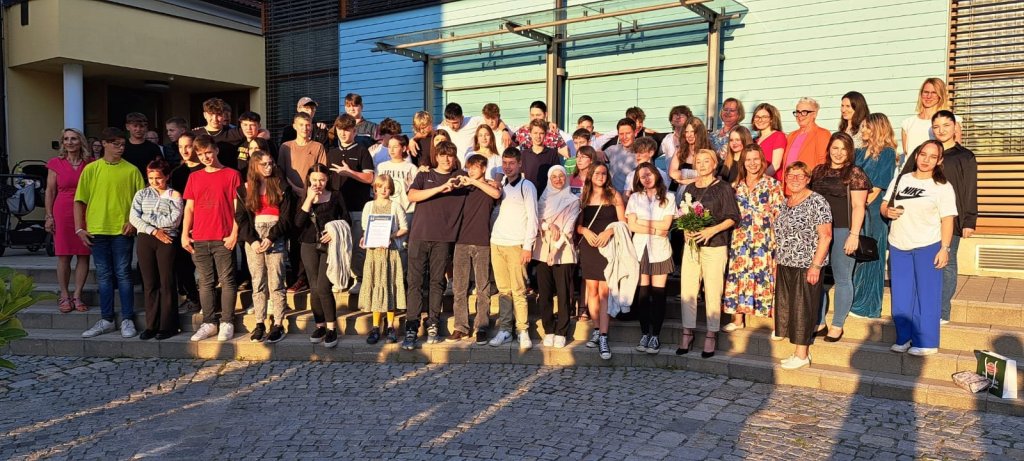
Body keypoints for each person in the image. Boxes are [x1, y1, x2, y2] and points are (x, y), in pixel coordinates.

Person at [900, 110, 977, 324]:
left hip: (951, 218)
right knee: (923, 263)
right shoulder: (924, 151)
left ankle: (942, 311)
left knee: (947, 263)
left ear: (955, 127)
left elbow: (970, 189)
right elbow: (904, 180)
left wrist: (969, 220)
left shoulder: (965, 156)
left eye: (946, 125)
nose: (941, 130)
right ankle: (920, 306)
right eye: (936, 126)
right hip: (920, 219)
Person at [883, 140, 957, 356]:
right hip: (899, 245)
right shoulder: (901, 179)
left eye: (933, 157)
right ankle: (904, 337)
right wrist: (887, 211)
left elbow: (947, 219)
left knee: (927, 295)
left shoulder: (943, 187)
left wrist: (945, 248)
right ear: (916, 156)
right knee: (901, 295)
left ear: (939, 161)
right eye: (923, 154)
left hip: (928, 245)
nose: (926, 160)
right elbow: (885, 204)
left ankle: (926, 342)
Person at [76, 127, 146, 339]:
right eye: (116, 144)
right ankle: (106, 319)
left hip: (122, 230)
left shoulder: (132, 170)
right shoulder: (91, 169)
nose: (120, 148)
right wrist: (79, 228)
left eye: (123, 144)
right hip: (97, 229)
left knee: (123, 273)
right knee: (104, 275)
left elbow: (141, 201)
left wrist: (133, 222)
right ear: (104, 144)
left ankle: (127, 318)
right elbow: (79, 200)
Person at [403, 141, 467, 349]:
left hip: (443, 238)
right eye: (442, 155)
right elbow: (412, 195)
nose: (446, 159)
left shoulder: (460, 177)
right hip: (419, 236)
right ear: (436, 157)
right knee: (414, 282)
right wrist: (440, 188)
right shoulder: (425, 175)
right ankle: (411, 326)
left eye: (450, 155)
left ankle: (432, 323)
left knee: (437, 282)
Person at [678, 149, 740, 358]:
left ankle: (711, 334)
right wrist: (686, 229)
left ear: (714, 164)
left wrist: (711, 230)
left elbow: (733, 217)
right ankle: (687, 332)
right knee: (688, 289)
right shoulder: (690, 188)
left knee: (713, 290)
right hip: (692, 246)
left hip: (715, 245)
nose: (702, 165)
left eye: (707, 161)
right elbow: (682, 213)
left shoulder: (723, 188)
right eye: (698, 161)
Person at [810, 132, 870, 341]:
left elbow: (859, 206)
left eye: (843, 149)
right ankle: (819, 321)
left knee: (843, 278)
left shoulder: (855, 173)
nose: (838, 153)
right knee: (817, 278)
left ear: (849, 152)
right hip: (819, 232)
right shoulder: (818, 171)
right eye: (835, 148)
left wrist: (854, 234)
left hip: (843, 230)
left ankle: (837, 324)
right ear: (829, 149)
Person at [773, 162, 833, 369]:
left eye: (800, 176)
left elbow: (826, 236)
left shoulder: (817, 201)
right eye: (791, 176)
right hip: (785, 262)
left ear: (808, 179)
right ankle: (796, 351)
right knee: (789, 307)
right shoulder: (786, 202)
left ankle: (802, 354)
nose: (795, 179)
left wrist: (815, 266)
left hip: (806, 264)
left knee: (803, 308)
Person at [183, 135, 242, 343]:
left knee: (227, 280)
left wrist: (234, 233)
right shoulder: (194, 177)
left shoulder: (232, 175)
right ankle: (209, 322)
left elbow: (238, 209)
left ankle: (227, 321)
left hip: (223, 236)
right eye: (200, 154)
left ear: (216, 150)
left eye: (208, 152)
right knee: (205, 282)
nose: (205, 157)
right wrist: (184, 233)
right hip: (200, 237)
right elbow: (189, 208)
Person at [723, 144, 784, 332]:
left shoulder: (773, 184)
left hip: (764, 239)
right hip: (740, 238)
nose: (752, 163)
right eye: (748, 160)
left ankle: (774, 324)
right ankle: (737, 319)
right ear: (743, 163)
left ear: (762, 161)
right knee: (739, 274)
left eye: (756, 159)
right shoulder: (736, 186)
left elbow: (780, 214)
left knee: (765, 276)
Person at [235, 151, 293, 343]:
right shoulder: (244, 189)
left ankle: (278, 323)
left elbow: (286, 217)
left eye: (270, 163)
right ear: (255, 166)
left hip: (275, 233)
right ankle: (259, 322)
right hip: (254, 236)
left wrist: (272, 236)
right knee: (258, 280)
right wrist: (252, 240)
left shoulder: (281, 185)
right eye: (264, 164)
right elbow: (241, 218)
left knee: (276, 281)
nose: (269, 167)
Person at [489, 147, 539, 349]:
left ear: (519, 164)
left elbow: (533, 217)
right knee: (503, 290)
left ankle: (522, 330)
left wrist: (528, 246)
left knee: (518, 289)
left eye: (511, 163)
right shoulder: (501, 185)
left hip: (516, 244)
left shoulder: (526, 186)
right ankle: (505, 329)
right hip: (497, 242)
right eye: (504, 163)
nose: (507, 167)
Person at [294, 164, 349, 348]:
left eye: (322, 180)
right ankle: (320, 325)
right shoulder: (304, 197)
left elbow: (346, 219)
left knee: (324, 286)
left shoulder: (336, 195)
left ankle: (332, 328)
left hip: (329, 246)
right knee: (314, 287)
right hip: (308, 244)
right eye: (315, 180)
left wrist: (334, 232)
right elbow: (298, 223)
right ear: (309, 180)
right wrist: (309, 199)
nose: (318, 183)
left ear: (328, 180)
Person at [129, 159, 183, 340]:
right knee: (150, 283)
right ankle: (151, 325)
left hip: (167, 239)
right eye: (151, 178)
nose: (154, 182)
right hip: (146, 238)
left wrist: (149, 218)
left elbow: (174, 220)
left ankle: (168, 326)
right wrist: (153, 229)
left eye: (158, 178)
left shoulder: (174, 195)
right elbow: (134, 218)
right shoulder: (141, 194)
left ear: (166, 176)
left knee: (166, 282)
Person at [850, 113, 898, 318]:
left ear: (878, 129)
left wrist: (859, 206)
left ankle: (868, 306)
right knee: (857, 255)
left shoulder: (887, 153)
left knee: (870, 254)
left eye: (867, 127)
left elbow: (878, 186)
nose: (863, 130)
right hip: (857, 208)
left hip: (873, 210)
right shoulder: (859, 153)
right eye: (862, 127)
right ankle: (855, 299)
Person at [626, 162, 676, 355]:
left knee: (659, 293)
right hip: (640, 249)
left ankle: (655, 335)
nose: (646, 178)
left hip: (660, 250)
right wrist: (655, 229)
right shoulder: (635, 198)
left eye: (649, 174)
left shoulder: (668, 197)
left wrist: (643, 222)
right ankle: (644, 333)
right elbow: (632, 225)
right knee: (643, 293)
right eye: (642, 176)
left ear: (656, 174)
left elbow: (667, 224)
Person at [451, 155, 501, 344]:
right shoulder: (464, 187)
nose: (471, 171)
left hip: (482, 242)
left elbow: (496, 195)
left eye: (475, 167)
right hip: (461, 241)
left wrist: (475, 182)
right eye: (469, 167)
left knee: (483, 287)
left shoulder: (489, 186)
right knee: (459, 287)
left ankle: (482, 326)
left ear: (484, 168)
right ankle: (460, 326)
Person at [577, 163, 624, 359]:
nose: (600, 176)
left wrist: (609, 231)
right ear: (590, 175)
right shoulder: (584, 196)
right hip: (589, 247)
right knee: (592, 290)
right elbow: (577, 225)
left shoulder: (614, 195)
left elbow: (623, 223)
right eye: (597, 173)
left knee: (605, 292)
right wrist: (585, 231)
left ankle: (604, 336)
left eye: (604, 173)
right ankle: (596, 329)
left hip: (608, 248)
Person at [326, 113, 375, 295]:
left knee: (356, 247)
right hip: (336, 210)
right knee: (337, 245)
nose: (343, 133)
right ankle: (340, 279)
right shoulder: (331, 153)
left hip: (357, 207)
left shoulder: (362, 151)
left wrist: (350, 173)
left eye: (347, 130)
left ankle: (359, 279)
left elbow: (370, 178)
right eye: (340, 129)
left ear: (354, 131)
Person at [279, 112, 327, 294]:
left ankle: (309, 278)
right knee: (294, 238)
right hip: (292, 198)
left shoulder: (318, 147)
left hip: (313, 198)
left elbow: (322, 172)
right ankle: (297, 278)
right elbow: (281, 172)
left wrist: (309, 192)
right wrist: (295, 189)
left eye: (308, 125)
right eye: (301, 125)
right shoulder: (286, 147)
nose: (305, 128)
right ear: (294, 126)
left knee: (310, 238)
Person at [45, 128, 92, 313]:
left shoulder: (90, 163)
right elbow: (50, 190)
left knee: (83, 253)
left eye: (74, 139)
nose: (70, 142)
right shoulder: (55, 163)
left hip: (85, 210)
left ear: (81, 142)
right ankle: (64, 295)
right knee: (63, 255)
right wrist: (48, 216)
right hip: (62, 210)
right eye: (66, 139)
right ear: (62, 143)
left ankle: (78, 295)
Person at [533, 165, 580, 348]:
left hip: (563, 251)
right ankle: (549, 329)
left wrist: (554, 251)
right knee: (544, 292)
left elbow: (568, 229)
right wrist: (548, 226)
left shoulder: (572, 200)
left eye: (561, 176)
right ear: (549, 179)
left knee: (563, 292)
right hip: (542, 250)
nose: (558, 179)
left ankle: (562, 330)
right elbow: (537, 219)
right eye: (554, 176)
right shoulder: (543, 198)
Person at [359, 175, 409, 344]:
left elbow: (404, 228)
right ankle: (375, 326)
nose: (383, 190)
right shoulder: (369, 205)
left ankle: (390, 326)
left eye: (387, 188)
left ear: (391, 189)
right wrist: (364, 238)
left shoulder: (396, 206)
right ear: (375, 188)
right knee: (376, 287)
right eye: (380, 187)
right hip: (374, 253)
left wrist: (391, 236)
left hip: (390, 252)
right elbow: (366, 227)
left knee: (389, 287)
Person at [169, 132, 203, 313]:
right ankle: (192, 297)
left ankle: (209, 301)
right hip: (182, 224)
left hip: (205, 224)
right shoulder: (177, 173)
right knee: (183, 264)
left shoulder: (205, 169)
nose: (184, 150)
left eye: (188, 146)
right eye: (180, 147)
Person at [901, 78, 956, 163]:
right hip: (911, 169)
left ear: (940, 95)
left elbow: (954, 154)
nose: (929, 96)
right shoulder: (907, 123)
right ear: (921, 94)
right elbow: (906, 152)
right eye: (926, 92)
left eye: (934, 93)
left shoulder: (951, 121)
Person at [781, 97, 831, 190]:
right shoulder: (791, 135)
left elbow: (823, 164)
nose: (800, 116)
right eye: (798, 112)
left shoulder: (822, 134)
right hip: (788, 188)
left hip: (808, 188)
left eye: (804, 112)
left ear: (814, 114)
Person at [193, 98, 246, 171]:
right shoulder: (195, 135)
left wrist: (263, 134)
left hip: (231, 176)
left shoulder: (235, 132)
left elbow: (256, 132)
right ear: (205, 115)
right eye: (211, 114)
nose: (215, 119)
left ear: (223, 115)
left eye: (219, 115)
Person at [521, 119, 562, 192]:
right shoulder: (524, 154)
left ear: (545, 134)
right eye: (535, 133)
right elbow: (522, 176)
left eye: (541, 133)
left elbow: (556, 176)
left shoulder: (552, 154)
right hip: (529, 194)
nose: (538, 136)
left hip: (547, 195)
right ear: (530, 134)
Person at [669, 117, 711, 189]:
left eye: (692, 132)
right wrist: (696, 175)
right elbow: (672, 173)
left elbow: (708, 176)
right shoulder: (680, 150)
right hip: (677, 190)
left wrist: (686, 180)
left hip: (698, 190)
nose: (689, 135)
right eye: (687, 132)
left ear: (700, 133)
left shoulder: (708, 151)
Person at [751, 103, 787, 180]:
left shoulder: (778, 136)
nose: (760, 120)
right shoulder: (754, 140)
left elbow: (776, 165)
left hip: (771, 181)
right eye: (757, 117)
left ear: (772, 119)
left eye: (764, 117)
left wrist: (758, 180)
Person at [604, 118, 639, 194]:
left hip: (633, 197)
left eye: (628, 133)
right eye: (621, 134)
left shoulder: (642, 152)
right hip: (613, 197)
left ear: (635, 132)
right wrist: (598, 152)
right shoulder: (612, 150)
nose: (624, 137)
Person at [123, 112, 163, 176]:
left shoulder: (153, 148)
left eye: (141, 126)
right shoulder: (122, 146)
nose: (138, 129)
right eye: (135, 126)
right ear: (127, 127)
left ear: (146, 127)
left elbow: (160, 168)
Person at [660, 105, 693, 169]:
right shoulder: (667, 139)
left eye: (682, 115)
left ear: (688, 119)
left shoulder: (693, 137)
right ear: (671, 121)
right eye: (675, 115)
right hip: (671, 175)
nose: (678, 117)